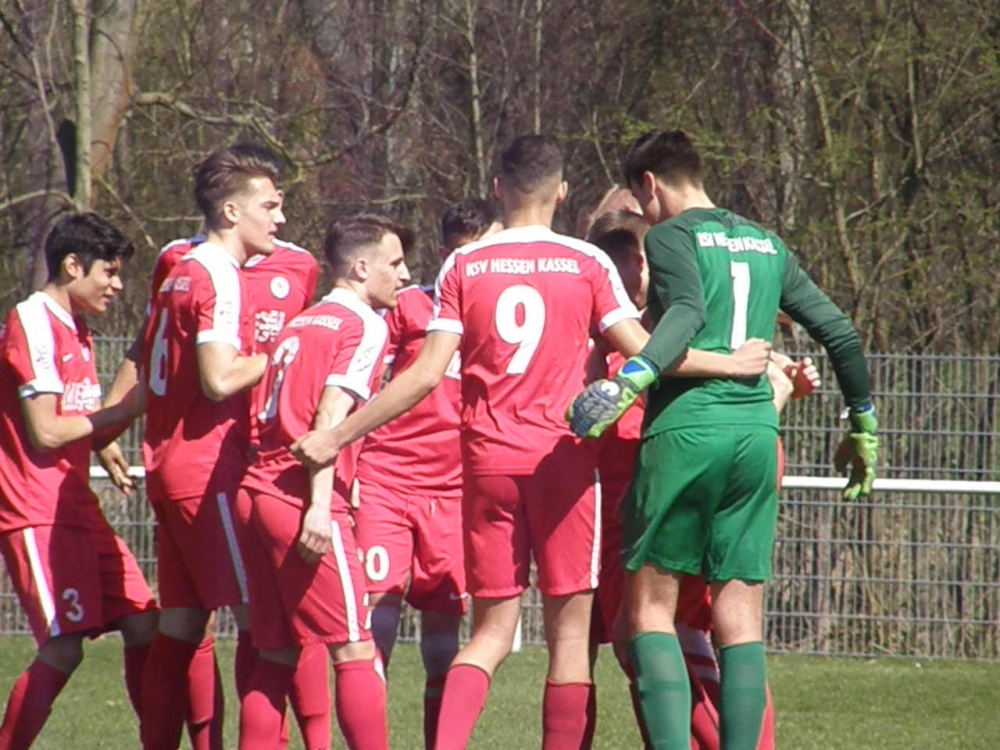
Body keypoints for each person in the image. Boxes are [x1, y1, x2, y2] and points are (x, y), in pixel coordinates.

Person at [290, 134, 770, 749]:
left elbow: (425, 374)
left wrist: (338, 435)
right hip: (564, 464)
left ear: (498, 189)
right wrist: (729, 363)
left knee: (488, 635)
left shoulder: (464, 265)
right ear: (563, 191)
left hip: (487, 463)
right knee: (569, 642)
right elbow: (645, 352)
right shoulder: (587, 262)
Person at [568, 129, 878, 750]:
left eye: (641, 199)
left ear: (649, 184)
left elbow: (685, 314)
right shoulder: (767, 243)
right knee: (739, 618)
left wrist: (630, 380)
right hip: (757, 435)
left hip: (687, 433)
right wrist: (862, 424)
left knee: (648, 612)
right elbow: (839, 332)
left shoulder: (670, 235)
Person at [585, 206, 820, 749]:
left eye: (627, 264)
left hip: (679, 488)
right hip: (642, 499)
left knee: (669, 628)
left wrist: (781, 386)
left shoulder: (674, 330)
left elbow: (760, 378)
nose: (622, 279)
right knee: (682, 632)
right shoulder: (618, 331)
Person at [237, 214, 412, 750]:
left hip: (256, 492)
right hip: (301, 495)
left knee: (276, 655)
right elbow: (328, 418)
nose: (405, 275)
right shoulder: (365, 325)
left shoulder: (299, 323)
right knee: (355, 647)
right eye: (395, 263)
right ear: (360, 268)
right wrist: (319, 504)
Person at [138, 143, 282, 750]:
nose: (279, 218)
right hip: (208, 468)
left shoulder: (181, 268)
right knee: (260, 620)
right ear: (231, 211)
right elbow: (219, 377)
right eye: (269, 205)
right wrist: (282, 354)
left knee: (181, 623)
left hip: (169, 463)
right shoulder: (220, 274)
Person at [0, 213, 158, 748]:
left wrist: (103, 440)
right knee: (64, 648)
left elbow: (74, 415)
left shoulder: (76, 327)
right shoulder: (33, 321)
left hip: (76, 507)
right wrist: (131, 408)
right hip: (36, 510)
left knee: (144, 621)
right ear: (72, 265)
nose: (117, 286)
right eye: (109, 272)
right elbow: (45, 431)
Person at [352, 197, 499, 748]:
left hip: (456, 489)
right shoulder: (410, 307)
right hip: (387, 476)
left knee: (443, 638)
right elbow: (361, 382)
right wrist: (352, 459)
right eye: (465, 255)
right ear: (444, 256)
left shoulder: (503, 316)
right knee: (378, 618)